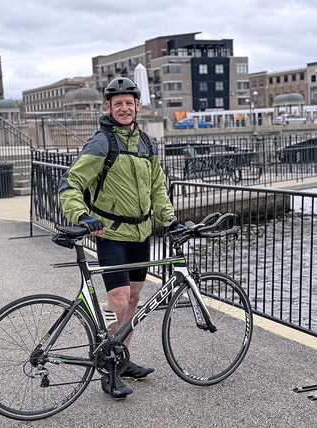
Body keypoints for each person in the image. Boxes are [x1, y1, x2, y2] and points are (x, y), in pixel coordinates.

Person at [58, 77, 177, 399]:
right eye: (118, 104)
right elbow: (70, 184)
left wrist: (170, 220)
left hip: (141, 232)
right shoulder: (101, 143)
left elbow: (157, 188)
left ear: (138, 107)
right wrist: (83, 216)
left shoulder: (148, 144)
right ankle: (109, 369)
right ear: (108, 108)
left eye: (130, 103)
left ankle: (122, 358)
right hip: (110, 233)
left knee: (135, 299)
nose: (124, 108)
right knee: (120, 300)